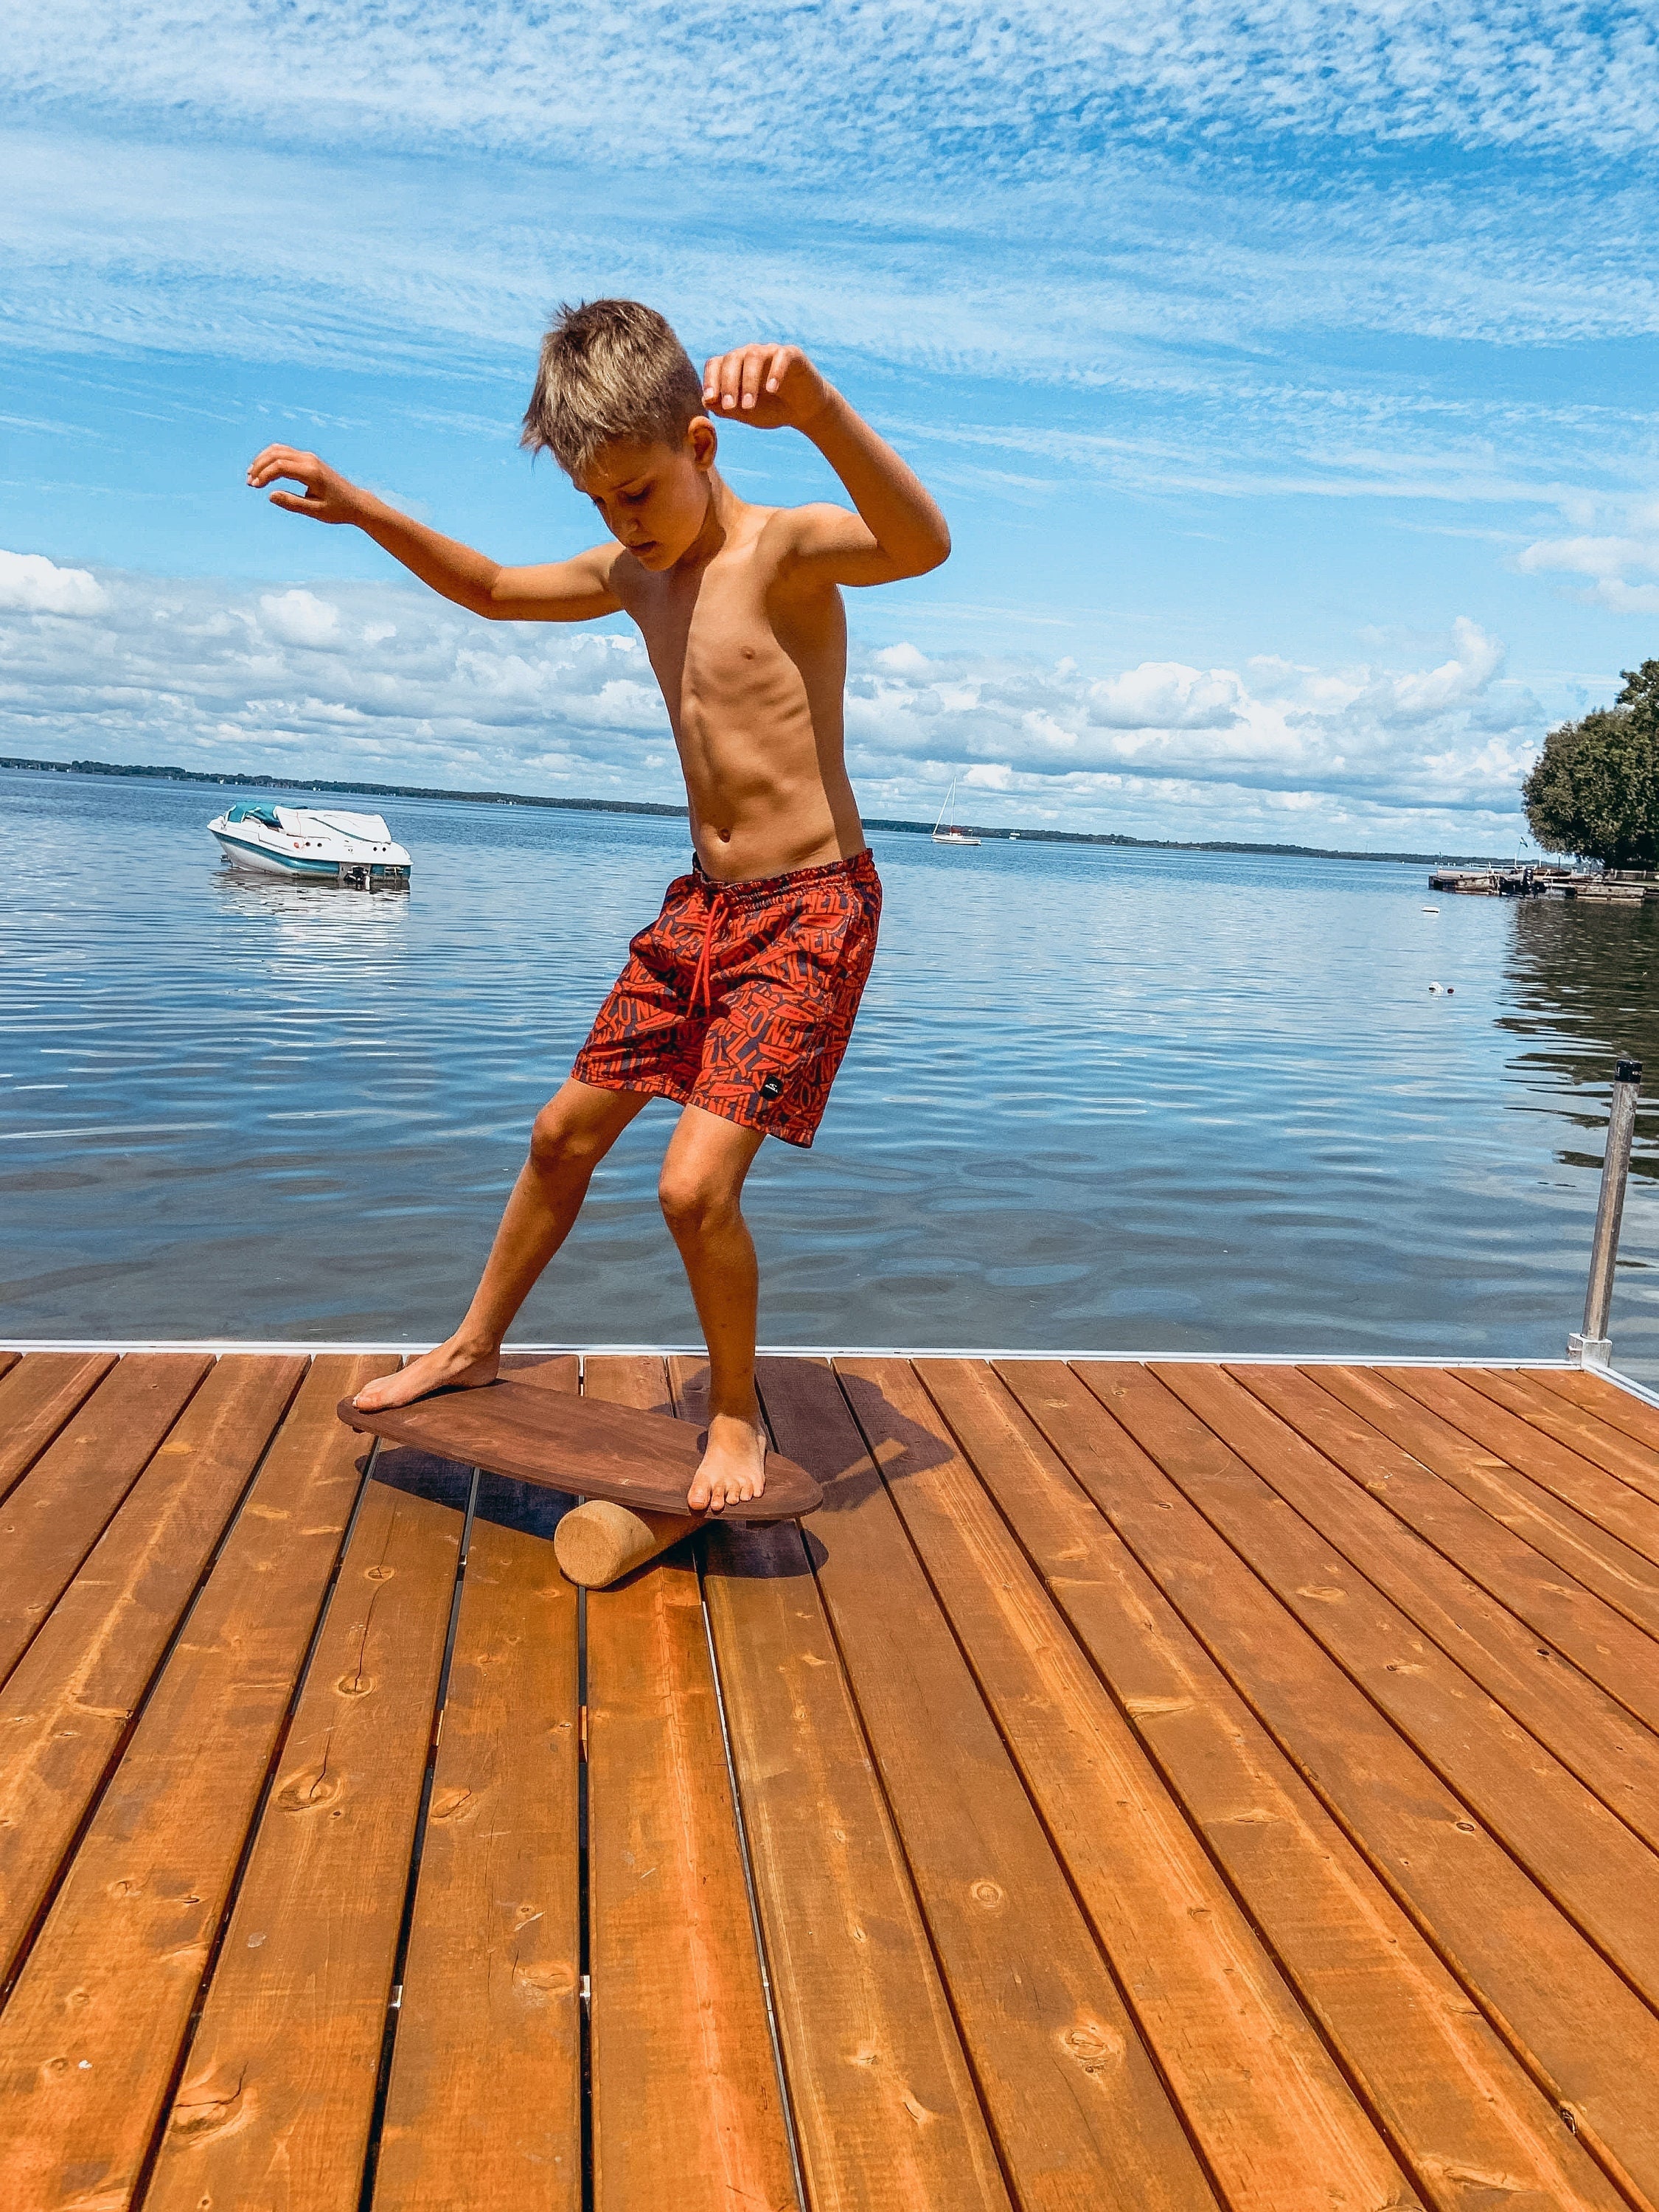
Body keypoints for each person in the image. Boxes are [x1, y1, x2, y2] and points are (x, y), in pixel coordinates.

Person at [246, 299, 950, 1509]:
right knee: (558, 1135)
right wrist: (362, 509)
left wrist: (820, 410)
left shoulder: (782, 551)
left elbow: (920, 543)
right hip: (701, 911)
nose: (623, 521)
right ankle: (472, 1346)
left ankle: (733, 1414)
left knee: (690, 1188)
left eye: (637, 490)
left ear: (703, 445)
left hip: (812, 910)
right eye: (597, 502)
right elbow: (491, 589)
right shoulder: (637, 575)